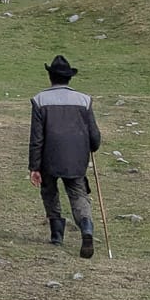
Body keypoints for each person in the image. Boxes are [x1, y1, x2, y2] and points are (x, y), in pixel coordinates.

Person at [28, 54, 102, 258]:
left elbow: (37, 137)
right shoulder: (84, 100)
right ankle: (86, 228)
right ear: (69, 78)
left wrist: (34, 166)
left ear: (50, 77)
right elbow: (93, 133)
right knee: (78, 193)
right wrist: (93, 146)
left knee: (50, 192)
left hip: (49, 156)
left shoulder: (40, 99)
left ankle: (57, 235)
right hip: (77, 157)